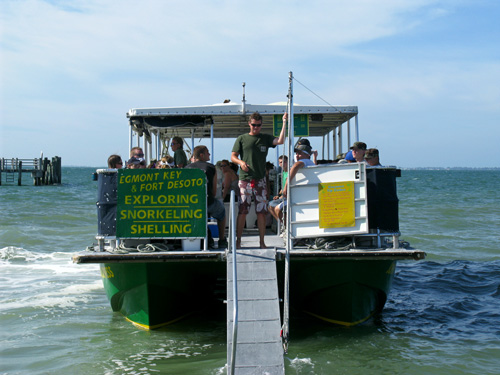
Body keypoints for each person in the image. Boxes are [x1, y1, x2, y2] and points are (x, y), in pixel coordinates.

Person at [231, 112, 286, 249]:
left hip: (260, 180)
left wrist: (284, 123)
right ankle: (238, 241)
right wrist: (241, 163)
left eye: (258, 125)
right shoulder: (242, 139)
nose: (256, 128)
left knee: (261, 212)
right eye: (254, 125)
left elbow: (280, 141)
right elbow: (233, 156)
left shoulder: (265, 138)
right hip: (245, 180)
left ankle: (262, 242)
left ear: (261, 125)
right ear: (249, 124)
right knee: (243, 210)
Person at [186, 146, 227, 249]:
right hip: (207, 203)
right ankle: (222, 240)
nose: (209, 154)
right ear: (201, 155)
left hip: (191, 205)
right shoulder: (211, 168)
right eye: (207, 152)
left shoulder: (186, 168)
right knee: (221, 212)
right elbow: (213, 192)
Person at [275, 141, 316, 222]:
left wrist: (286, 186)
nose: (297, 155)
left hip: (300, 198)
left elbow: (296, 165)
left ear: (307, 154)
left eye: (299, 153)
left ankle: (286, 229)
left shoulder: (305, 161)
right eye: (296, 153)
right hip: (303, 196)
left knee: (277, 209)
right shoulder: (309, 163)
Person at [268, 155, 288, 221]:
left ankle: (283, 224)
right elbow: (282, 190)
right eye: (281, 162)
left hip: (288, 198)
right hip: (283, 196)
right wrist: (278, 196)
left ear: (288, 162)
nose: (282, 164)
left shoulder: (290, 172)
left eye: (284, 162)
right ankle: (281, 222)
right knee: (270, 206)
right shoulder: (283, 173)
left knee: (272, 205)